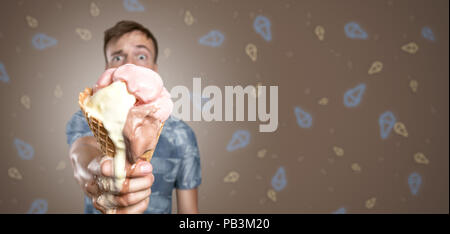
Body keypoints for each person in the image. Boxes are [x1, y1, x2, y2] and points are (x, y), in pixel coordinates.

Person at [66, 20, 201, 214]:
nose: (129, 65)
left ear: (154, 70)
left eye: (141, 55)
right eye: (118, 58)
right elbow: (81, 153)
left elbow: (189, 213)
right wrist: (96, 177)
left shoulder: (182, 134)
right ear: (107, 68)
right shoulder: (85, 118)